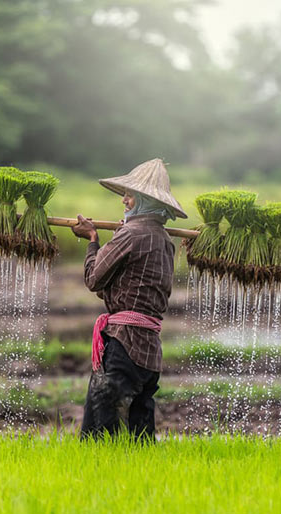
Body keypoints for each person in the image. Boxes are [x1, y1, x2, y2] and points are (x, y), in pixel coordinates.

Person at [70, 158, 188, 440]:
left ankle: (99, 472)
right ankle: (140, 472)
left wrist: (92, 239)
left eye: (130, 196)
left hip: (125, 343)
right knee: (140, 428)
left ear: (145, 201)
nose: (124, 200)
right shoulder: (163, 239)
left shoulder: (131, 235)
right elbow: (125, 287)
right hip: (149, 350)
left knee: (100, 424)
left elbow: (93, 280)